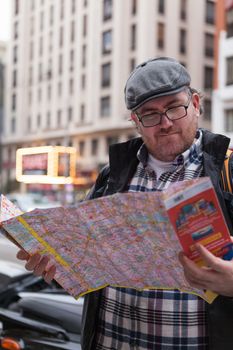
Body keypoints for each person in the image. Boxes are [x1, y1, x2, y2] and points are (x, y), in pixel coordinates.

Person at [17, 57, 233, 350]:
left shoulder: (227, 170)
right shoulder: (111, 176)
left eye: (175, 107)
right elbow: (84, 267)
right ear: (136, 122)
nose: (166, 122)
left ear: (195, 103)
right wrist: (56, 267)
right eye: (150, 114)